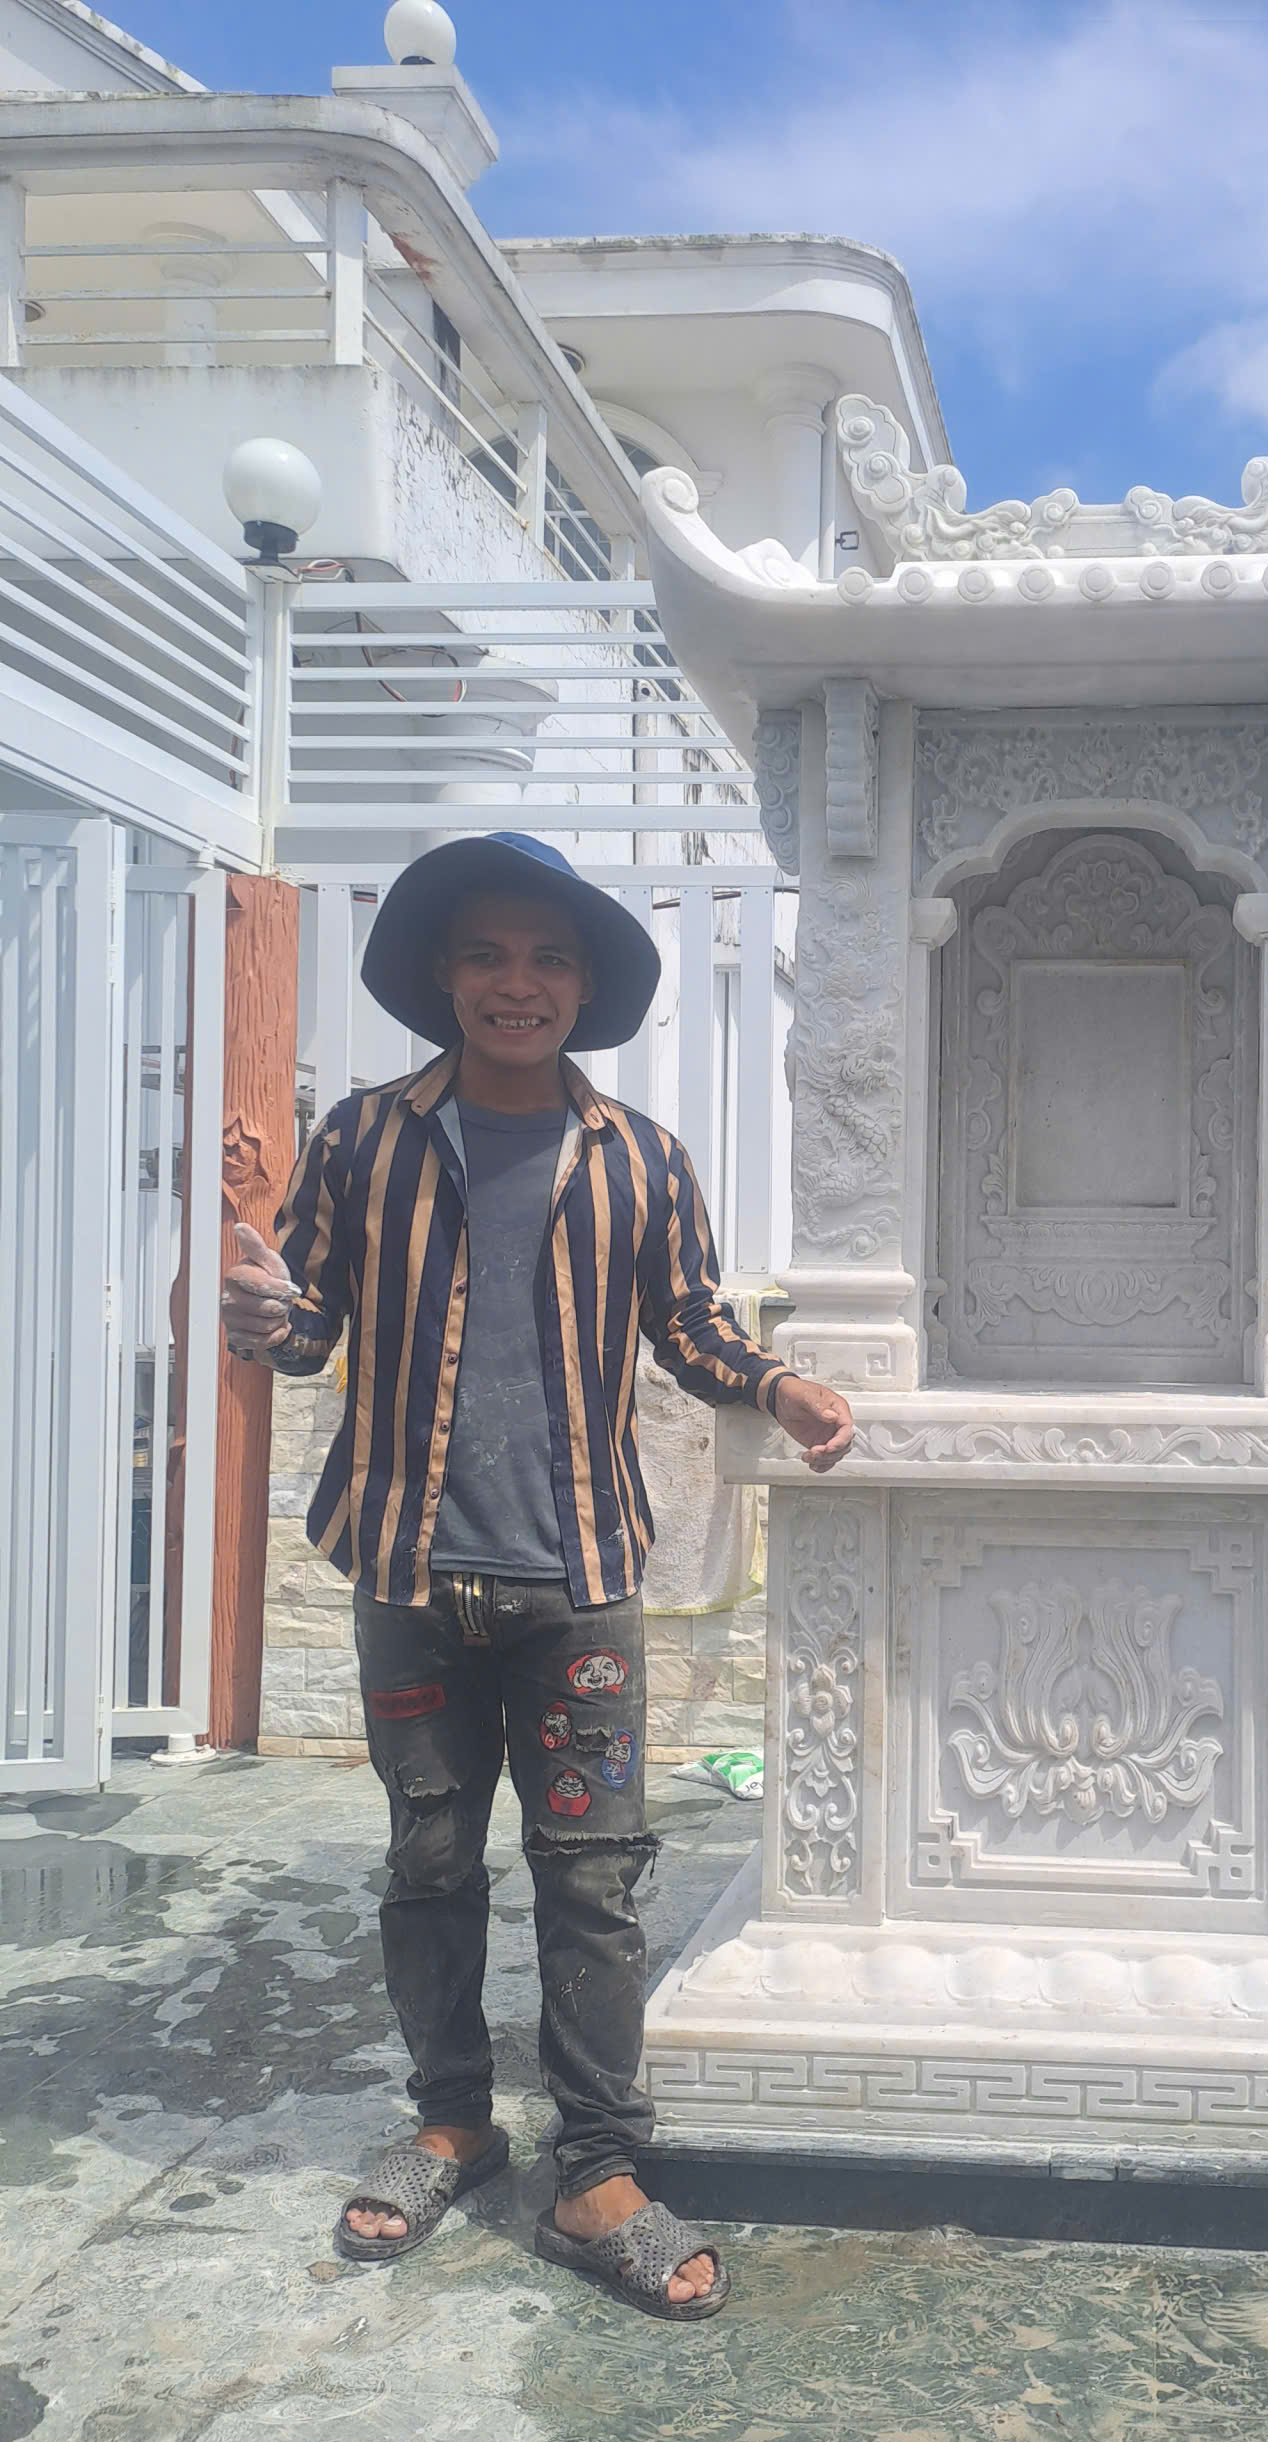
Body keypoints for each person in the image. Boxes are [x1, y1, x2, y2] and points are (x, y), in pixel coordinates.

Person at [221, 831, 852, 2321]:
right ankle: (452, 2123)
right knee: (430, 1863)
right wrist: (252, 1304)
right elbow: (303, 1328)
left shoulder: (642, 1159)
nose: (519, 982)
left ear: (583, 987)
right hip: (406, 1575)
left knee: (593, 1880)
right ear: (444, 976)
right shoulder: (364, 1141)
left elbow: (689, 1325)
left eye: (549, 957)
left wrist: (777, 1384)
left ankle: (599, 2169)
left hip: (576, 1584)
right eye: (489, 954)